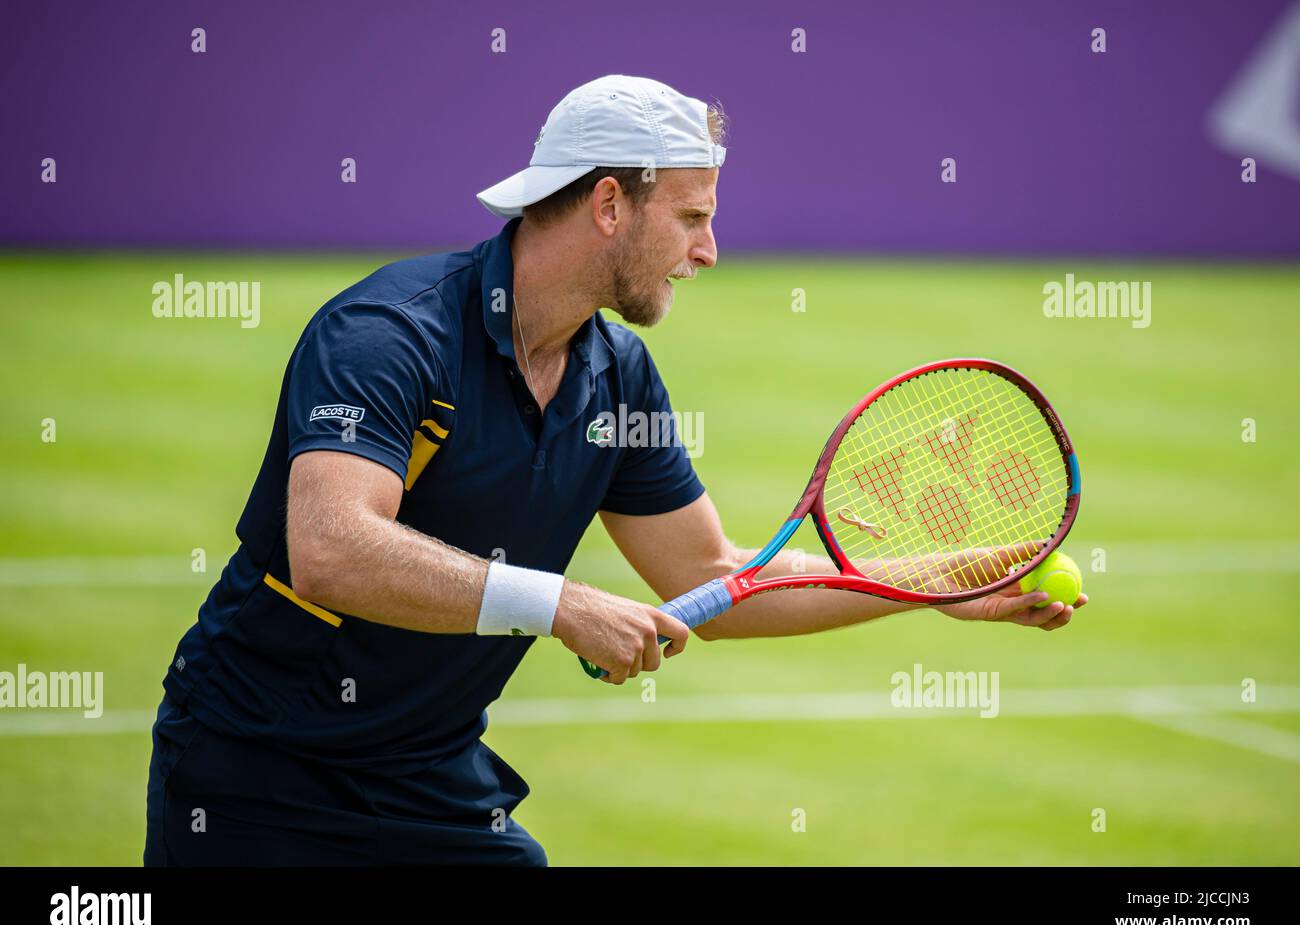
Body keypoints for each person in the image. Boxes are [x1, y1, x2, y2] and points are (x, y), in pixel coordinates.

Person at [144, 74, 1084, 867]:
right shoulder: (391, 337)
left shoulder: (617, 375)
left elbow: (716, 582)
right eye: (690, 218)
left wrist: (940, 579)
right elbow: (331, 549)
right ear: (607, 205)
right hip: (253, 778)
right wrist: (559, 604)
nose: (708, 251)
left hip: (430, 781)